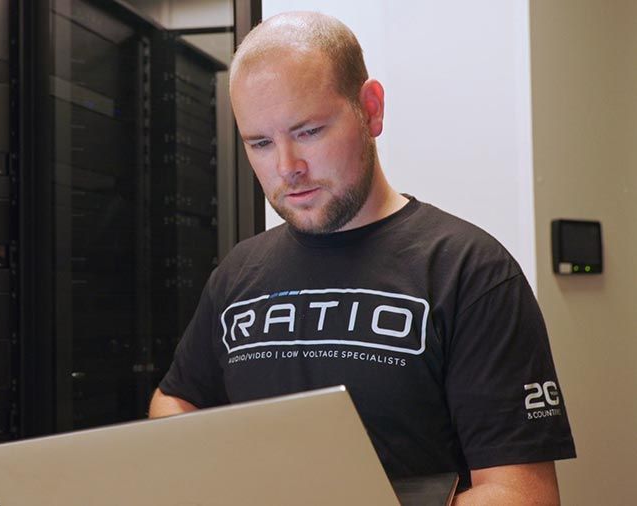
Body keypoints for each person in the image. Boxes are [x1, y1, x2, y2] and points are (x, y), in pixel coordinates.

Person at [149, 11, 575, 505]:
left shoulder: (470, 271)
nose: (288, 168)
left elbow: (523, 496)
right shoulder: (239, 273)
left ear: (370, 109)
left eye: (308, 131)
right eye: (261, 143)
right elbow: (175, 400)